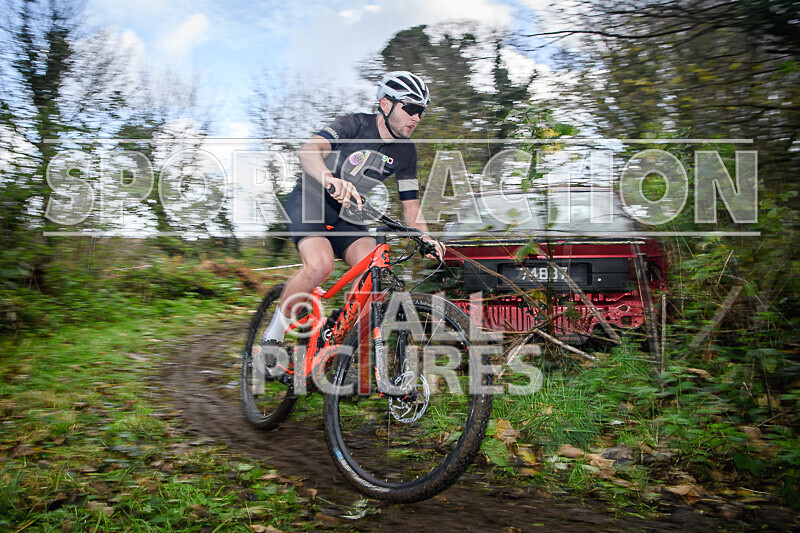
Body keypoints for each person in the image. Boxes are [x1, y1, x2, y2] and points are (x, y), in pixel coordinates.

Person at [262, 71, 445, 344]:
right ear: (386, 104)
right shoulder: (355, 124)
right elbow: (308, 151)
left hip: (347, 213)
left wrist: (426, 237)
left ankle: (335, 332)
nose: (416, 117)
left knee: (374, 269)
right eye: (411, 108)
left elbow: (411, 207)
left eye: (421, 111)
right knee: (320, 266)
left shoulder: (406, 152)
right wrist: (330, 179)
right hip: (310, 200)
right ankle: (272, 338)